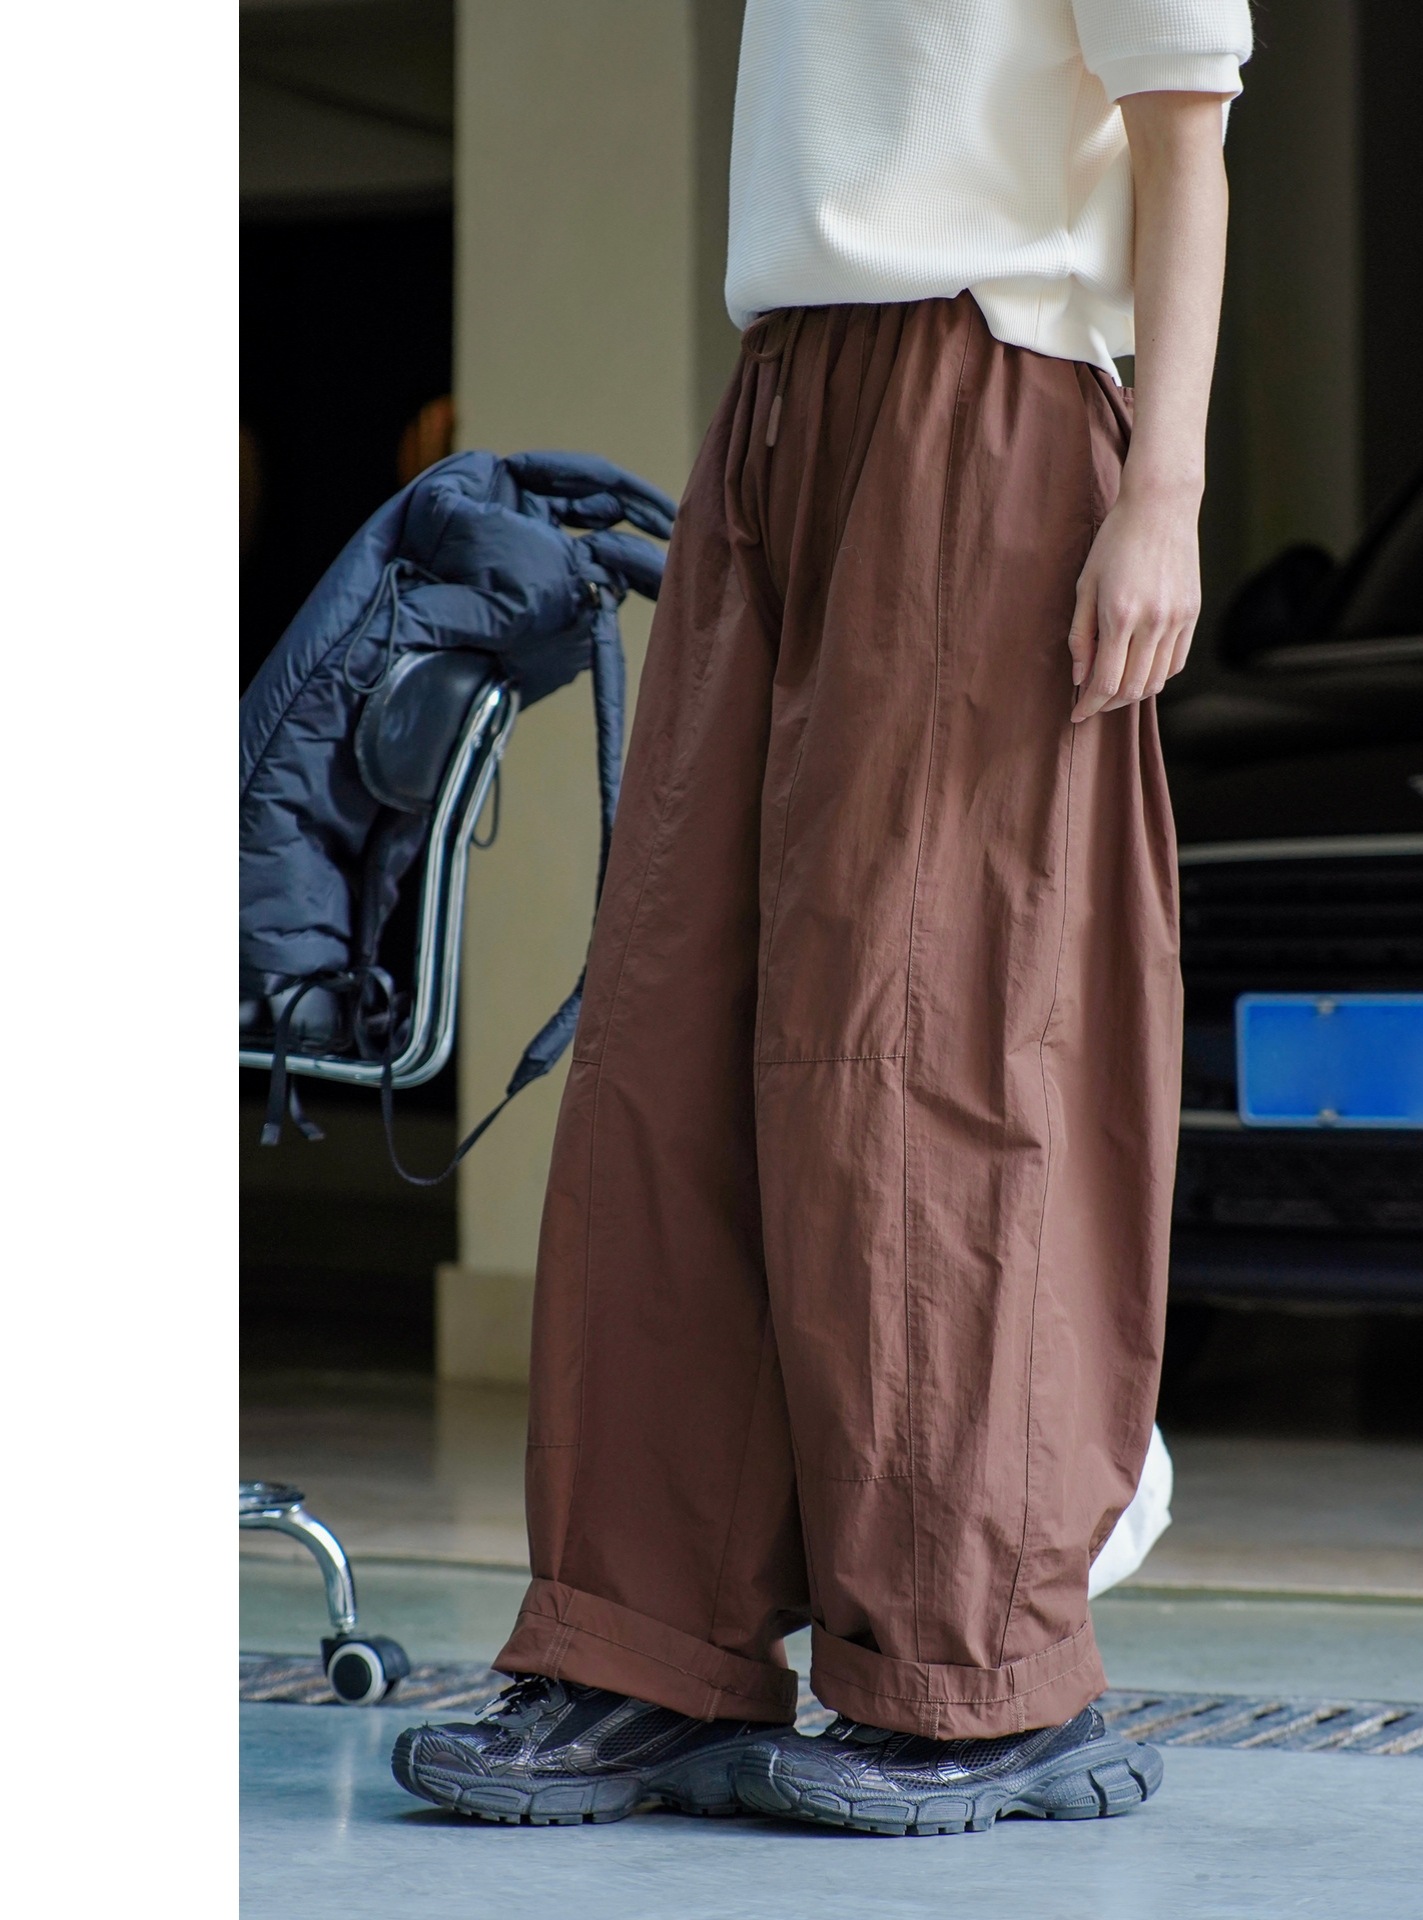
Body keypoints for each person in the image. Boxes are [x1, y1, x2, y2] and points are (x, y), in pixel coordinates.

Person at [393, 0, 1250, 1837]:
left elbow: (1187, 136)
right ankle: (647, 1646)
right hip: (784, 395)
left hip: (991, 391)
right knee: (673, 1030)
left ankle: (973, 1675)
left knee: (923, 1038)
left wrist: (1164, 495)